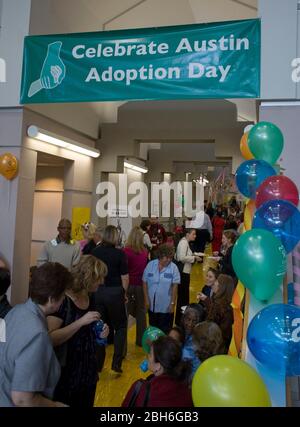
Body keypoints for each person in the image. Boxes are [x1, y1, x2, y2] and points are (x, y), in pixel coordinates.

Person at [0, 263, 71, 407]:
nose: (64, 299)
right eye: (63, 295)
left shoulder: (16, 312)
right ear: (52, 299)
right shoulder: (37, 335)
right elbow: (22, 399)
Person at [47, 255, 109, 407]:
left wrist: (100, 334)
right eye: (99, 278)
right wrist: (80, 322)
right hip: (66, 372)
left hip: (87, 371)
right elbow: (51, 338)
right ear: (89, 277)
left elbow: (88, 329)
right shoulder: (63, 300)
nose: (102, 281)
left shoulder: (89, 296)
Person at [92, 225, 129, 373]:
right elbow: (125, 278)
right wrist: (123, 293)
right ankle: (116, 363)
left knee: (101, 327)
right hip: (115, 293)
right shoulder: (120, 254)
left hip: (98, 292)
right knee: (120, 327)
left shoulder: (95, 252)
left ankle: (98, 364)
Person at [122, 336, 193, 407]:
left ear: (158, 366)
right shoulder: (187, 391)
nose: (147, 356)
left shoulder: (141, 389)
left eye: (150, 354)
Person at [143, 244, 180, 334]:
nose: (169, 260)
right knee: (153, 330)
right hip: (152, 306)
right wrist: (146, 299)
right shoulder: (150, 265)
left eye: (170, 257)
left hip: (166, 307)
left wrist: (172, 303)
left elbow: (175, 286)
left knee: (165, 331)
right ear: (160, 256)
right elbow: (144, 282)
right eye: (166, 257)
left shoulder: (174, 268)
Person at [123, 226, 148, 347]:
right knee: (141, 314)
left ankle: (123, 344)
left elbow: (124, 270)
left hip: (128, 285)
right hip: (141, 285)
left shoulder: (126, 251)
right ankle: (141, 340)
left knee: (125, 314)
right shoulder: (145, 252)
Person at [174, 228, 202, 325]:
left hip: (185, 272)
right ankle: (180, 320)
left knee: (184, 297)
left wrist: (193, 255)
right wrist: (194, 258)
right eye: (193, 234)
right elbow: (181, 258)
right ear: (187, 234)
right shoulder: (183, 243)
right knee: (183, 297)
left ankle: (181, 319)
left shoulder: (186, 243)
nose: (195, 236)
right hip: (183, 273)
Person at [203, 274, 234, 352]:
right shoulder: (227, 305)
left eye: (217, 281)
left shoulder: (218, 306)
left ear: (222, 287)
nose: (214, 283)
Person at [181, 304, 206, 377]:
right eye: (188, 319)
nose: (190, 324)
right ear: (183, 318)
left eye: (194, 321)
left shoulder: (199, 342)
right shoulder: (181, 333)